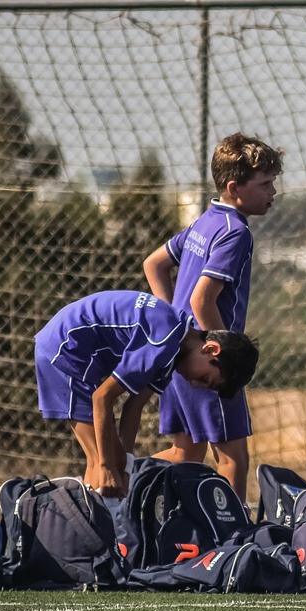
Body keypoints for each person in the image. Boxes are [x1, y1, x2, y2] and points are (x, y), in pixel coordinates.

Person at [142, 132, 282, 503]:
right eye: (265, 184)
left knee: (185, 454)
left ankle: (115, 480)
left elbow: (153, 264)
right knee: (232, 457)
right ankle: (231, 542)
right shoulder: (235, 232)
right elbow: (202, 298)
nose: (273, 192)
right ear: (235, 187)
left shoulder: (205, 222)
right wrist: (218, 353)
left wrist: (171, 324)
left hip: (177, 356)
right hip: (209, 365)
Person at [33, 290, 258, 498]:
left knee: (116, 461)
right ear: (210, 349)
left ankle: (108, 527)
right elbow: (102, 397)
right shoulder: (163, 339)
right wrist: (107, 466)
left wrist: (126, 463)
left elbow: (134, 406)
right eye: (205, 379)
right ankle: (96, 534)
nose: (196, 385)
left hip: (81, 358)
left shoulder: (174, 349)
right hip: (64, 350)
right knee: (98, 461)